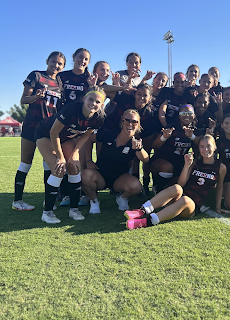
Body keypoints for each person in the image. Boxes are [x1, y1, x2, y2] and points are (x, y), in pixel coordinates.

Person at [35, 86, 106, 223]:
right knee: (59, 168)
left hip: (68, 137)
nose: (93, 104)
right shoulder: (71, 109)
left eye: (98, 102)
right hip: (46, 134)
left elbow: (85, 135)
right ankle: (47, 212)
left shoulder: (99, 117)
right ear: (84, 99)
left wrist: (74, 154)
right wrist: (61, 158)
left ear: (101, 104)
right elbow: (53, 133)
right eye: (91, 99)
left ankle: (74, 209)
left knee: (74, 167)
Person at [125, 135, 227, 229]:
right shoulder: (195, 163)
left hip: (192, 206)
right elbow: (181, 184)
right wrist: (187, 166)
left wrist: (218, 207)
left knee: (186, 200)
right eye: (202, 146)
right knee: (177, 188)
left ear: (215, 147)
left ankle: (148, 221)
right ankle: (141, 210)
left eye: (208, 146)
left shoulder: (220, 167)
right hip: (179, 198)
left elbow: (220, 187)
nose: (205, 149)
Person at [12, 51, 66, 211]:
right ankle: (17, 201)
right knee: (25, 163)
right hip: (31, 126)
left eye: (59, 64)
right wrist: (35, 96)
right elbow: (23, 99)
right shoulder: (36, 75)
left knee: (48, 165)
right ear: (47, 61)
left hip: (48, 129)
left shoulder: (60, 83)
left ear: (63, 67)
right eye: (53, 61)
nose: (56, 65)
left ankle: (47, 199)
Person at [81, 110, 149, 214]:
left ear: (138, 125)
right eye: (127, 121)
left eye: (134, 122)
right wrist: (89, 160)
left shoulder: (135, 142)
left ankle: (122, 198)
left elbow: (145, 159)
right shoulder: (109, 134)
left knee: (136, 187)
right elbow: (88, 140)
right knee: (84, 175)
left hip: (119, 178)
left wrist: (139, 149)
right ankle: (94, 201)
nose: (130, 124)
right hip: (100, 174)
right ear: (122, 123)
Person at [150, 104, 200, 193]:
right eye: (183, 113)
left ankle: (166, 187)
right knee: (167, 167)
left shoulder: (195, 130)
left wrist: (192, 136)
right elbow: (154, 146)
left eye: (189, 113)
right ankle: (158, 188)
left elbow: (200, 145)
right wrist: (164, 137)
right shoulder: (171, 127)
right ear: (179, 116)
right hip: (162, 161)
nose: (186, 115)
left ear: (194, 115)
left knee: (181, 184)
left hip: (179, 164)